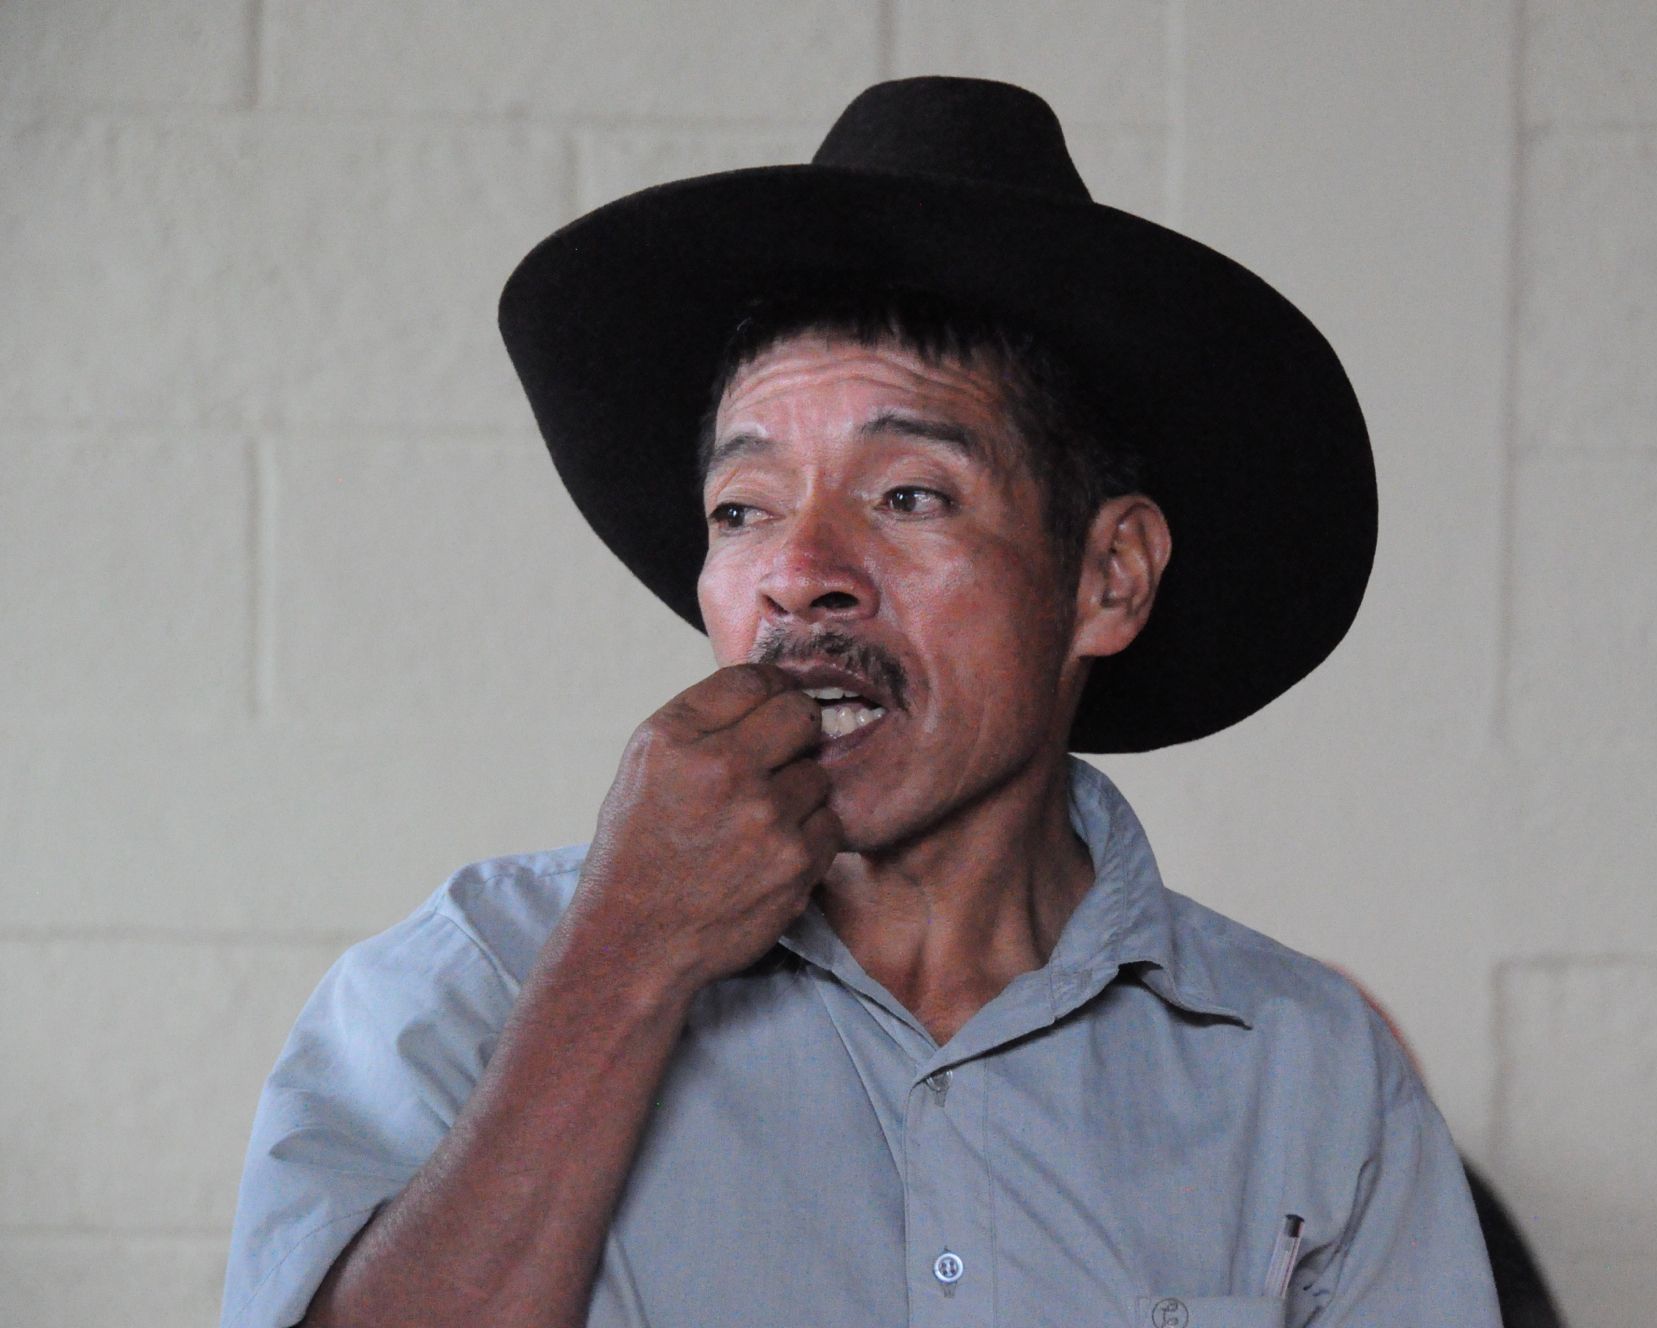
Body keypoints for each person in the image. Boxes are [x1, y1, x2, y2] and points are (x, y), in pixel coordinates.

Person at [221, 76, 1502, 1327]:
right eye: (743, 509)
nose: (799, 572)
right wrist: (624, 955)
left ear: (1105, 577)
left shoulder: (1304, 1071)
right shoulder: (469, 983)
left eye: (908, 495)